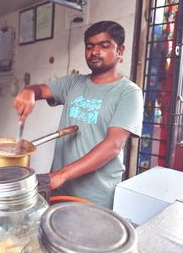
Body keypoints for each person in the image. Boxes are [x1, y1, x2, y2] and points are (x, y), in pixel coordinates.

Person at [13, 21, 143, 209]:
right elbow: (42, 90)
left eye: (104, 46)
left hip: (94, 197)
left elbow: (113, 145)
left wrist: (62, 174)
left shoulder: (129, 93)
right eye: (89, 46)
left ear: (120, 50)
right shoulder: (74, 83)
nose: (95, 52)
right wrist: (29, 92)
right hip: (58, 189)